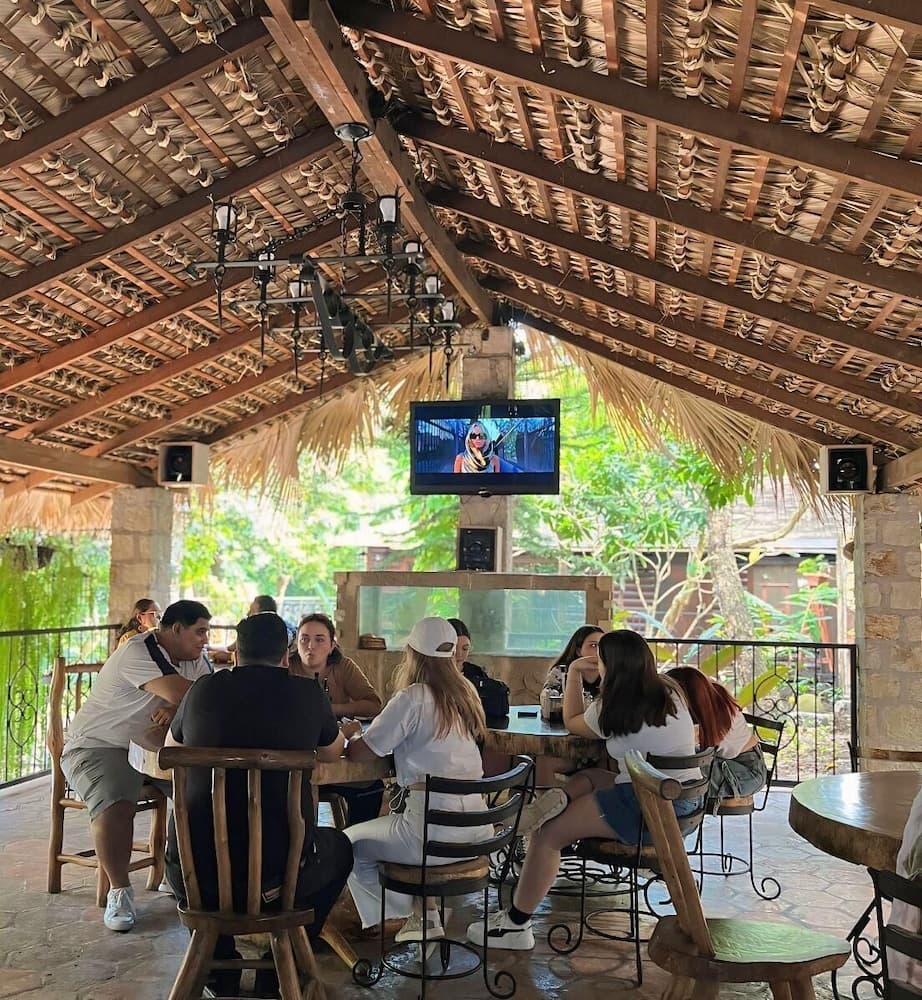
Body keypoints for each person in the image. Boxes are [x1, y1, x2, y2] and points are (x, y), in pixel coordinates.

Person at [468, 629, 700, 950]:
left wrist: (575, 671)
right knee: (591, 776)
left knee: (548, 835)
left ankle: (516, 925)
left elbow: (572, 721)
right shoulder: (670, 690)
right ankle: (553, 801)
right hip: (684, 800)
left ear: (610, 665)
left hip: (648, 808)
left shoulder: (613, 706)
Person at [164, 612, 353, 998]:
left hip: (196, 873)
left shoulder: (202, 690)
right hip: (279, 878)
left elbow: (173, 747)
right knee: (339, 848)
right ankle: (279, 968)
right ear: (285, 656)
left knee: (187, 850)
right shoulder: (307, 694)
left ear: (236, 654)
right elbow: (332, 752)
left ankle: (218, 967)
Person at [60, 600, 213, 933]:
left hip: (153, 751)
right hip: (100, 745)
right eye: (200, 632)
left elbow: (197, 698)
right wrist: (179, 703)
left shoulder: (196, 659)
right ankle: (119, 891)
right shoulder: (139, 650)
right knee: (116, 802)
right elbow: (192, 694)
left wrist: (176, 710)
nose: (206, 640)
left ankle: (177, 874)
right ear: (176, 629)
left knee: (205, 793)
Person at [343, 616, 493, 942]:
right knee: (395, 829)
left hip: (431, 835)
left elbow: (361, 753)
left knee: (347, 844)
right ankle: (424, 914)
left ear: (412, 653)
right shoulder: (466, 693)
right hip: (476, 833)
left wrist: (351, 733)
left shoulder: (412, 698)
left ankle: (407, 916)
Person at [294, 612, 384, 825]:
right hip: (296, 761)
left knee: (372, 787)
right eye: (304, 639)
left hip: (335, 755)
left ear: (332, 645)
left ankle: (354, 839)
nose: (310, 646)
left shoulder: (343, 667)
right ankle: (302, 840)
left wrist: (331, 709)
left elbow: (373, 705)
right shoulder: (287, 668)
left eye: (319, 640)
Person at [665, 666, 766, 800]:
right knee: (675, 766)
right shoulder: (710, 699)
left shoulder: (718, 711)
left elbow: (685, 741)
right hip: (727, 760)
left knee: (680, 771)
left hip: (747, 772)